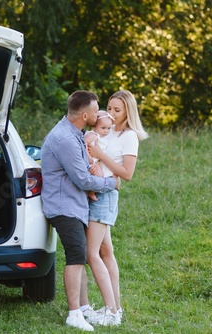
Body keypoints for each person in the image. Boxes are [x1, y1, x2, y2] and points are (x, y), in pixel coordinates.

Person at [41, 90, 119, 331]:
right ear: (85, 115)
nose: (100, 114)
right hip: (63, 207)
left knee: (81, 255)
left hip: (74, 205)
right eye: (96, 111)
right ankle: (74, 313)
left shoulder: (76, 133)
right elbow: (83, 180)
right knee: (76, 257)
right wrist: (111, 183)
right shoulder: (64, 139)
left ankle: (84, 309)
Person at [84, 90, 149, 326]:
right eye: (109, 107)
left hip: (105, 196)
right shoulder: (107, 128)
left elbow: (127, 174)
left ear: (127, 112)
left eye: (117, 110)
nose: (111, 113)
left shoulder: (129, 136)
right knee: (105, 252)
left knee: (91, 254)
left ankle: (111, 311)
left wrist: (100, 156)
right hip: (98, 191)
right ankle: (115, 307)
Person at [84, 110, 115, 201]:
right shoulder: (93, 135)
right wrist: (88, 156)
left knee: (99, 175)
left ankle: (91, 192)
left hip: (94, 160)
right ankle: (91, 192)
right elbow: (84, 143)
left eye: (109, 128)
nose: (106, 131)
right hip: (90, 161)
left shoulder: (99, 136)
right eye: (103, 128)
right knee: (99, 176)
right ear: (95, 126)